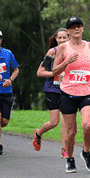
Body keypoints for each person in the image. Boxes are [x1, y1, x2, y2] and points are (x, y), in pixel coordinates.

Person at [52, 17, 90, 173]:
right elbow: (54, 71)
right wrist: (66, 62)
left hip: (87, 91)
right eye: (72, 27)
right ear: (68, 31)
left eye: (79, 26)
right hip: (68, 93)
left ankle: (86, 152)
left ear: (82, 28)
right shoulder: (63, 48)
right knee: (71, 131)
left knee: (88, 125)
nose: (76, 29)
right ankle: (70, 159)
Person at [33, 28, 70, 157]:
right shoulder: (52, 53)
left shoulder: (73, 53)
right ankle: (38, 134)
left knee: (66, 121)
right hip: (52, 89)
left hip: (68, 89)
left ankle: (65, 150)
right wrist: (55, 73)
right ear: (56, 39)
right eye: (59, 38)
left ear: (69, 38)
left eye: (64, 37)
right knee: (54, 122)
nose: (62, 40)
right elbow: (40, 72)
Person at [0, 29, 20, 155]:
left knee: (4, 121)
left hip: (6, 91)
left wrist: (10, 80)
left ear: (1, 40)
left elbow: (16, 69)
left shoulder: (7, 53)